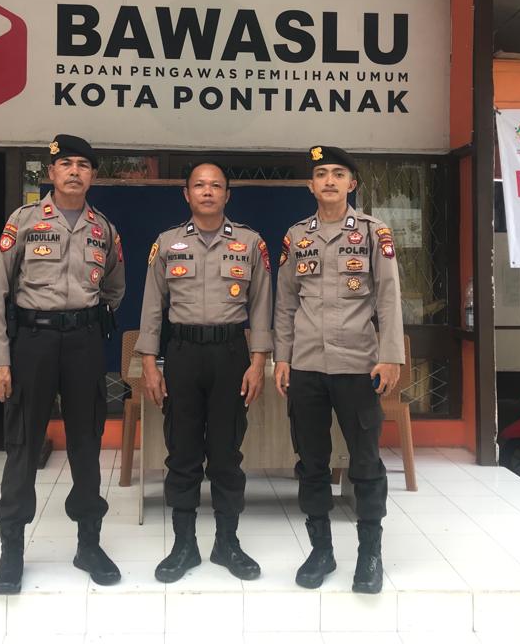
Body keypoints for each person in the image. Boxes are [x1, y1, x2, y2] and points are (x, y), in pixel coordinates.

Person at [0, 134, 126, 594]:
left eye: (83, 165)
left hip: (84, 343)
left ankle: (89, 543)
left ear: (93, 176)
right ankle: (11, 549)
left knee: (86, 442)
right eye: (66, 164)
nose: (74, 171)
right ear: (51, 172)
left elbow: (115, 286)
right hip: (33, 341)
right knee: (23, 444)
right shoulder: (23, 221)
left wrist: (90, 318)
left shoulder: (104, 229)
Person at [272, 145, 405, 594]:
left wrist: (391, 354)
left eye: (338, 173)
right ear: (310, 185)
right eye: (321, 174)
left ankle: (370, 554)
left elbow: (388, 296)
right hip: (307, 365)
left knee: (365, 462)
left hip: (357, 364)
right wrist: (283, 356)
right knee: (311, 463)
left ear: (352, 183)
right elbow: (285, 302)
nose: (329, 180)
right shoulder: (297, 236)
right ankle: (321, 550)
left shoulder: (373, 231)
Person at [136, 161, 273, 583]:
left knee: (227, 452)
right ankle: (184, 545)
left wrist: (258, 361)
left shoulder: (250, 243)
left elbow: (261, 306)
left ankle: (227, 542)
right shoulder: (167, 243)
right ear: (187, 194)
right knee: (183, 452)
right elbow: (152, 308)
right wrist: (148, 363)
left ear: (227, 194)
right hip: (182, 354)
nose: (208, 191)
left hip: (231, 353)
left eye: (216, 186)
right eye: (200, 185)